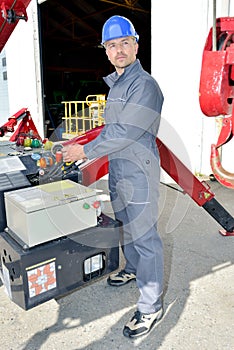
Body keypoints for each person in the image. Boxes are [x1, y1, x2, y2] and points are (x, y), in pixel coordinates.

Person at [62, 15, 164, 338]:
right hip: (120, 168)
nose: (118, 50)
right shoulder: (117, 86)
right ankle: (132, 269)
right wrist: (84, 146)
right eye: (111, 45)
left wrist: (85, 151)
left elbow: (125, 130)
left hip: (140, 170)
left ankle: (151, 307)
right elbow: (110, 130)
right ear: (105, 51)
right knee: (127, 227)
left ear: (136, 44)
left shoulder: (144, 85)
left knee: (145, 236)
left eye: (124, 43)